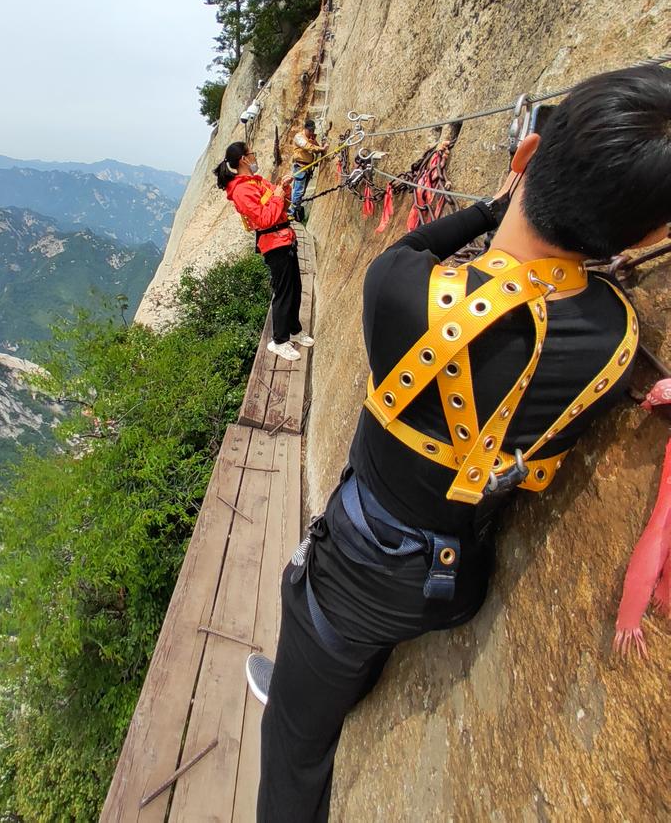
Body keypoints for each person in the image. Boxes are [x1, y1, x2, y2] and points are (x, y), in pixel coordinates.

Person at [245, 63, 671, 822]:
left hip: (361, 569)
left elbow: (415, 249)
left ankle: (313, 686)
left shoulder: (398, 292)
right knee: (351, 631)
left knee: (291, 732)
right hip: (456, 579)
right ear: (645, 237)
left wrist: (490, 207)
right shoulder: (612, 338)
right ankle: (344, 666)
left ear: (528, 151)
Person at [214, 140, 314, 363]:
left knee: (295, 287)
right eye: (251, 153)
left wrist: (283, 188)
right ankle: (279, 341)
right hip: (274, 242)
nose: (254, 157)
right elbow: (264, 218)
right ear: (243, 159)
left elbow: (279, 204)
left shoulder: (255, 181)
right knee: (284, 292)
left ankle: (294, 329)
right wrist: (278, 194)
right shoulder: (241, 190)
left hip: (284, 237)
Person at [290, 119, 327, 222]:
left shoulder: (309, 138)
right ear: (305, 129)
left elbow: (315, 147)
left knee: (302, 192)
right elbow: (306, 146)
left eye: (312, 131)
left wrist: (315, 143)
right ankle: (292, 212)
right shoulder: (299, 137)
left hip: (307, 168)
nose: (311, 132)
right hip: (300, 167)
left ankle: (295, 211)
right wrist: (321, 148)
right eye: (310, 131)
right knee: (298, 191)